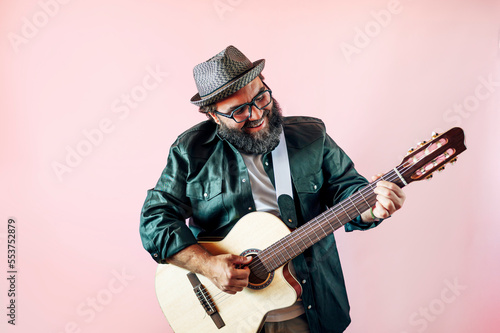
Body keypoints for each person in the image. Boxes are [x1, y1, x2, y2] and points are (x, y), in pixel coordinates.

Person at [140, 45, 406, 333]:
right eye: (239, 111)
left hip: (309, 311)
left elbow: (349, 191)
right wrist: (208, 266)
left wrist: (371, 209)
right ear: (214, 116)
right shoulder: (191, 151)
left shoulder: (312, 136)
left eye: (261, 97)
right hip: (229, 316)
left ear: (265, 82)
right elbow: (155, 220)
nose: (256, 114)